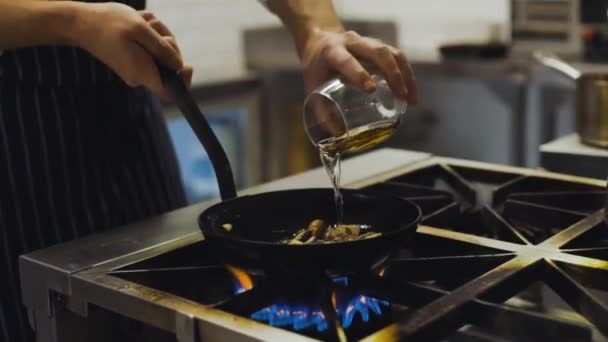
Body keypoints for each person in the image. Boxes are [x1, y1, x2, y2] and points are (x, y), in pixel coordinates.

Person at [0, 0, 417, 341]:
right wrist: (74, 21)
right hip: (22, 141)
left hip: (126, 114)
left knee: (161, 311)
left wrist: (317, 30)